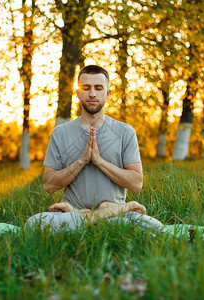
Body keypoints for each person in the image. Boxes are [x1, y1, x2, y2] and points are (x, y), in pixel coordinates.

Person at [25, 65, 163, 232]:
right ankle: (98, 215)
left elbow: (136, 183)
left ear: (107, 93)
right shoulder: (60, 133)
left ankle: (98, 215)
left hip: (116, 216)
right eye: (86, 88)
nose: (92, 94)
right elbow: (48, 185)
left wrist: (99, 161)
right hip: (71, 216)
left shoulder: (126, 132)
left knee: (154, 227)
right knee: (34, 224)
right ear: (77, 92)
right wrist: (82, 161)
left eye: (98, 88)